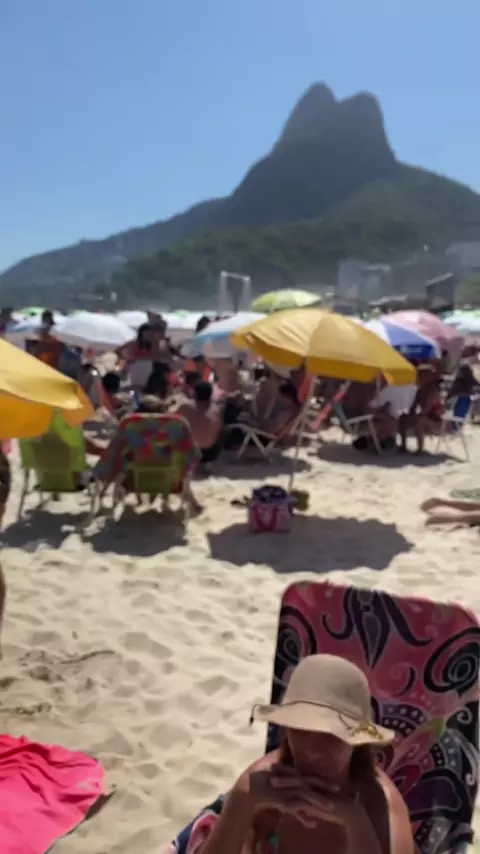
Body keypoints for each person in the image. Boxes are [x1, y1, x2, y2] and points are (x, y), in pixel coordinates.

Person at [198, 654, 413, 854]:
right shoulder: (257, 788)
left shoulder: (382, 810)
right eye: (301, 729)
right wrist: (243, 801)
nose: (311, 750)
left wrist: (355, 822)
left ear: (357, 742)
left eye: (330, 735)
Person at [176, 381, 223, 464]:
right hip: (210, 453)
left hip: (189, 451)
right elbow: (218, 432)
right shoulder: (217, 410)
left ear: (195, 393)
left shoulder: (185, 406)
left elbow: (171, 415)